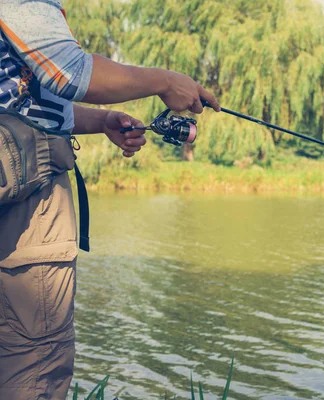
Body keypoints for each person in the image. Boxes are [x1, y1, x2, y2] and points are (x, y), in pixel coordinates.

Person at [0, 1, 220, 399]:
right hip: (29, 201)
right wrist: (166, 82)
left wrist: (100, 121)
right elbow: (67, 71)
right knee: (35, 357)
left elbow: (25, 98)